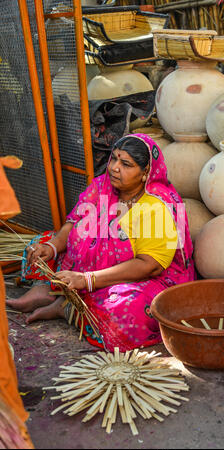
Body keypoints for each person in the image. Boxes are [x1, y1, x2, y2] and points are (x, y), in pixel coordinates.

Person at [7, 133, 195, 352]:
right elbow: (74, 220)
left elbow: (149, 265)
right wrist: (51, 247)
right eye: (114, 158)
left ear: (145, 173)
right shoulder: (103, 185)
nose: (114, 167)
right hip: (85, 270)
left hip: (136, 278)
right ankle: (49, 288)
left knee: (128, 308)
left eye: (126, 164)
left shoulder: (156, 207)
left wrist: (88, 279)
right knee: (40, 243)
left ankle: (67, 308)